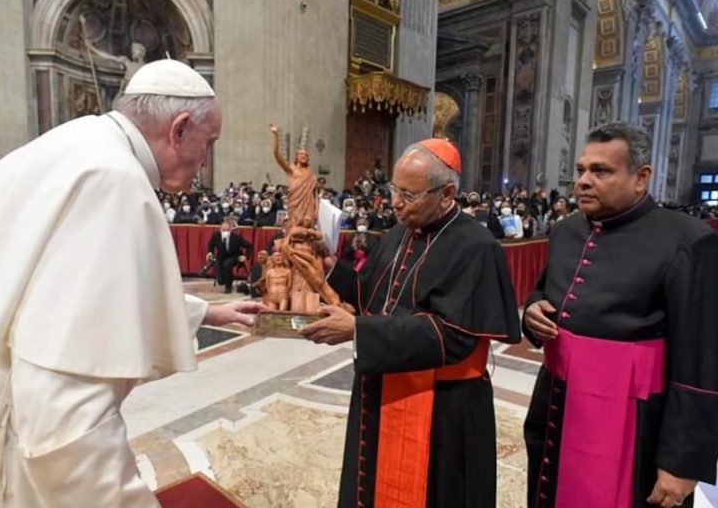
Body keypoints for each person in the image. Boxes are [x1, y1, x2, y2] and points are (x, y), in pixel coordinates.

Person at [0, 59, 264, 508]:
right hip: (4, 412)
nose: (205, 160)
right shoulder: (114, 181)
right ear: (178, 130)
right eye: (208, 143)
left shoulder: (74, 143)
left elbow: (56, 291)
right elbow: (65, 414)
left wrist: (207, 311)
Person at [300, 138, 521, 507]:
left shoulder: (477, 246)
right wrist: (330, 267)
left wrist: (358, 331)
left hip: (444, 408)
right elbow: (369, 294)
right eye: (393, 190)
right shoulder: (398, 233)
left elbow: (453, 335)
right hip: (383, 387)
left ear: (447, 193)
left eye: (408, 194)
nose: (396, 203)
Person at [522, 123, 718, 508]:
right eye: (580, 170)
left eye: (601, 171)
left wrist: (682, 461)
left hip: (634, 417)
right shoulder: (565, 231)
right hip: (558, 403)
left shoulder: (688, 239)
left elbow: (701, 360)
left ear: (640, 177)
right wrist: (532, 309)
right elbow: (547, 291)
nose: (583, 181)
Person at [269, 124, 319, 228]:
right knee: (294, 228)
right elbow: (276, 154)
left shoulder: (310, 175)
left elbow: (315, 195)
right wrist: (275, 135)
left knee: (307, 225)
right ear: (297, 157)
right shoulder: (291, 169)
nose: (304, 156)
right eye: (301, 154)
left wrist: (316, 210)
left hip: (308, 205)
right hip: (295, 204)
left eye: (306, 155)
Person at [207, 221, 252, 294]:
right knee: (220, 280)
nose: (225, 232)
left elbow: (249, 246)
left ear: (230, 229)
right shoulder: (216, 235)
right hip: (221, 256)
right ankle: (223, 280)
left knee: (227, 264)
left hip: (234, 256)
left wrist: (245, 256)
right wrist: (210, 252)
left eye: (227, 230)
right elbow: (210, 245)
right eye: (223, 230)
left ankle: (228, 286)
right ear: (220, 229)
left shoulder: (236, 237)